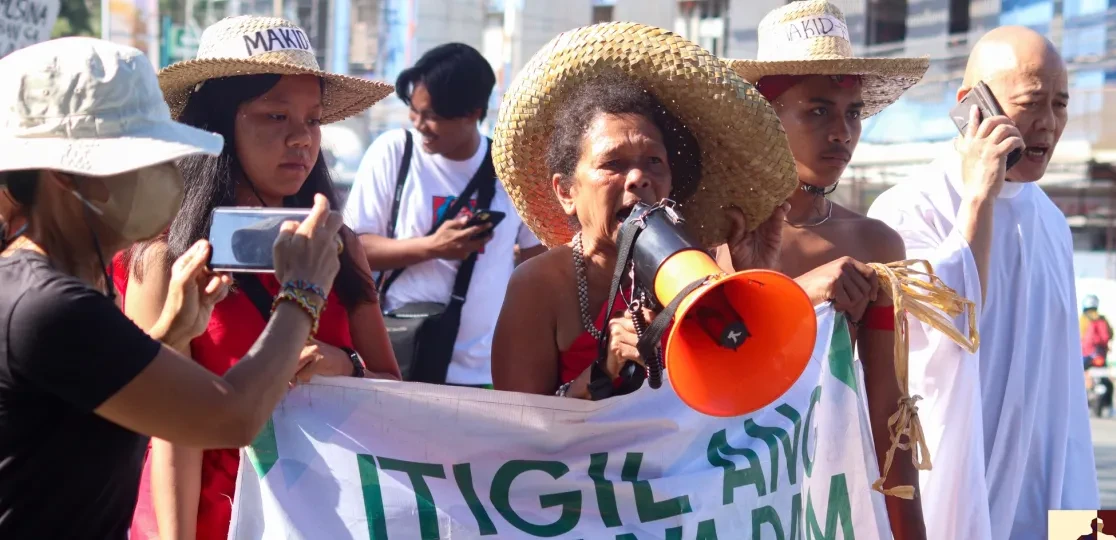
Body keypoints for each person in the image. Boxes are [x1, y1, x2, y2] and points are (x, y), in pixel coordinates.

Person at [0, 37, 344, 539]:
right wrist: (302, 293)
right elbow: (231, 416)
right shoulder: (48, 305)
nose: (164, 176)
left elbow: (94, 411)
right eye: (138, 160)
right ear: (65, 176)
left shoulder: (47, 289)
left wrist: (170, 334)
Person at [117, 16, 400, 540]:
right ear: (219, 125)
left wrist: (344, 366)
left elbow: (397, 398)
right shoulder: (164, 259)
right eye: (275, 115)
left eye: (313, 120)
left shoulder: (339, 244)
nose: (301, 138)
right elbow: (167, 428)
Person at [868, 26, 1099, 540]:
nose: (1048, 123)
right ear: (973, 105)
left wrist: (1087, 521)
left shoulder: (1052, 221)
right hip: (948, 498)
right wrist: (979, 199)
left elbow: (1065, 394)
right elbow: (950, 329)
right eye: (1031, 103)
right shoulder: (907, 210)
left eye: (1060, 104)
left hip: (1044, 497)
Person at [490, 23, 794, 400]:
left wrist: (755, 284)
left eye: (654, 161)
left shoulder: (700, 270)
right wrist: (603, 372)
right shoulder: (538, 285)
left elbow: (754, 388)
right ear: (567, 192)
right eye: (613, 164)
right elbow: (515, 424)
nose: (638, 178)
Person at [723, 2, 931, 537]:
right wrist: (800, 296)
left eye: (853, 113)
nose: (842, 132)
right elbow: (702, 375)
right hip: (725, 495)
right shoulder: (713, 235)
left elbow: (890, 411)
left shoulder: (876, 243)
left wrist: (909, 529)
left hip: (828, 498)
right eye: (818, 111)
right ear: (764, 117)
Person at [344, 43, 545, 388]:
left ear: (473, 113)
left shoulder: (511, 171)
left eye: (432, 115)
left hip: (485, 372)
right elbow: (354, 249)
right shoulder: (394, 153)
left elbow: (537, 266)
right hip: (398, 364)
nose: (419, 124)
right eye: (414, 111)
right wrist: (433, 247)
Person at [1080, 294, 1114, 414]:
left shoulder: (1082, 319)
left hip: (1086, 354)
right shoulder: (1102, 319)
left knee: (1081, 376)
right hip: (1101, 355)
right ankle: (1110, 407)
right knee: (1107, 380)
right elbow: (1110, 335)